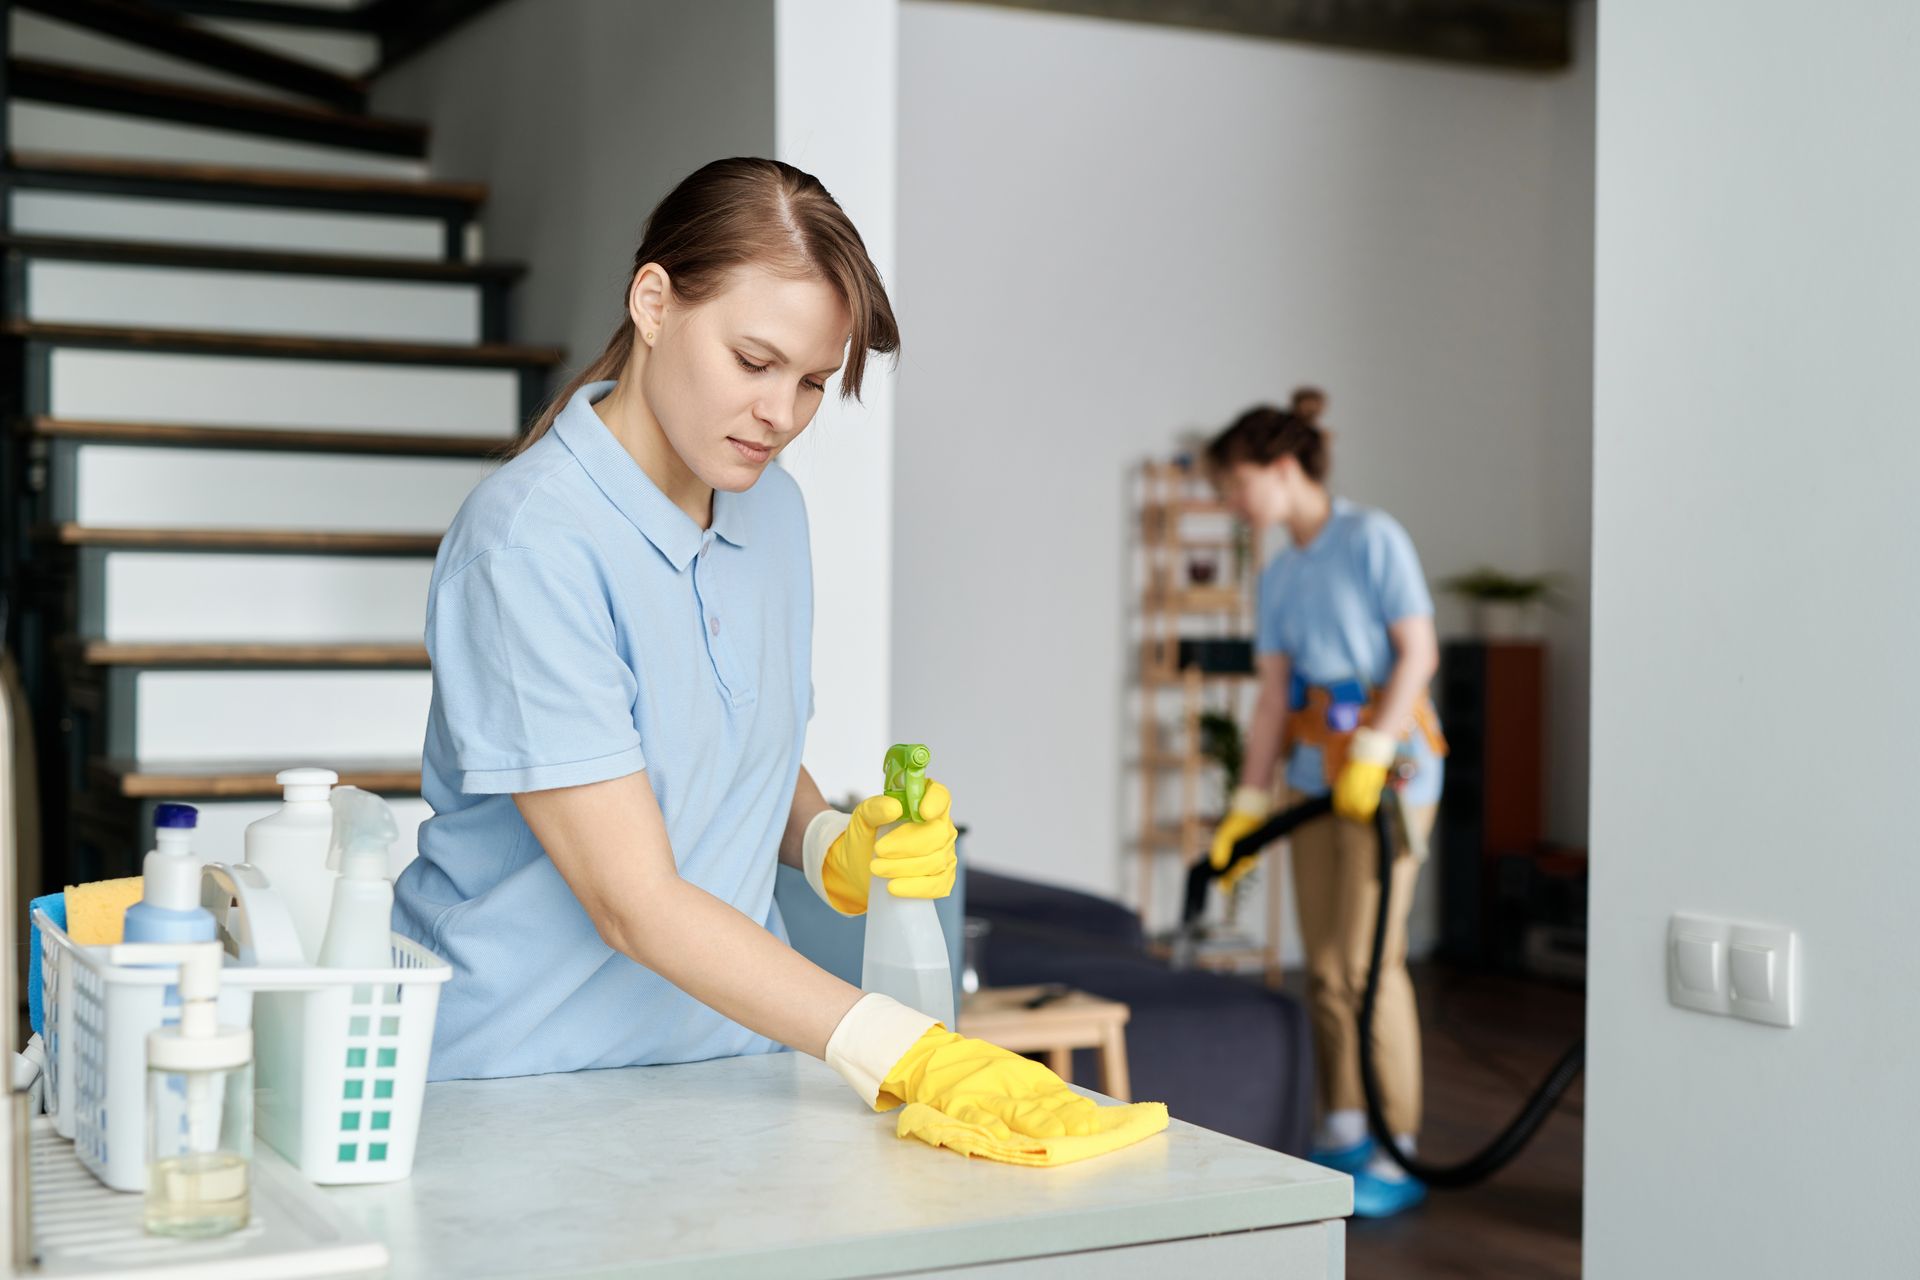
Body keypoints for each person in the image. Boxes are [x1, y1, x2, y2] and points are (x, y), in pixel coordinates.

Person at [395, 157, 1164, 1167]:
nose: (780, 413)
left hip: (730, 1069)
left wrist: (827, 838)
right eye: (753, 360)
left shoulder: (771, 509)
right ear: (655, 301)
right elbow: (633, 898)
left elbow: (726, 745)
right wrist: (912, 1053)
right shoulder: (530, 544)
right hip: (517, 1085)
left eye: (809, 381)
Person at [1205, 398, 1445, 1216]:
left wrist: (1376, 747)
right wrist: (1245, 805)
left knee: (1368, 964)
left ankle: (1398, 1142)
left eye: (1236, 484)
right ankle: (1346, 1122)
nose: (1233, 503)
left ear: (1278, 468)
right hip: (1313, 781)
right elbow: (1274, 698)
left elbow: (1419, 653)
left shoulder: (1371, 538)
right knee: (1325, 967)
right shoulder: (1278, 572)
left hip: (1393, 777)